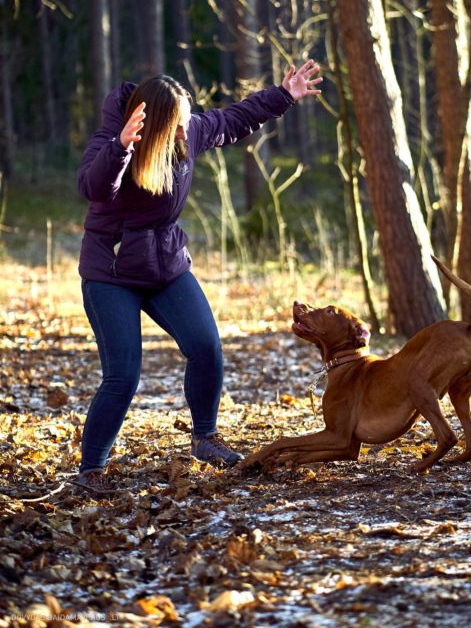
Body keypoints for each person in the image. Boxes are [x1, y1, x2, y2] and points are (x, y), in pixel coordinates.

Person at [75, 61, 322, 491]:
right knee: (123, 374)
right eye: (179, 124)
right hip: (111, 273)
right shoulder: (117, 139)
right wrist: (120, 148)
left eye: (189, 120)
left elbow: (233, 120)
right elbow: (93, 189)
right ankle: (92, 469)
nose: (188, 130)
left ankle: (205, 438)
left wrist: (283, 95)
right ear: (156, 125)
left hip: (165, 266)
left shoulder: (188, 132)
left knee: (206, 346)